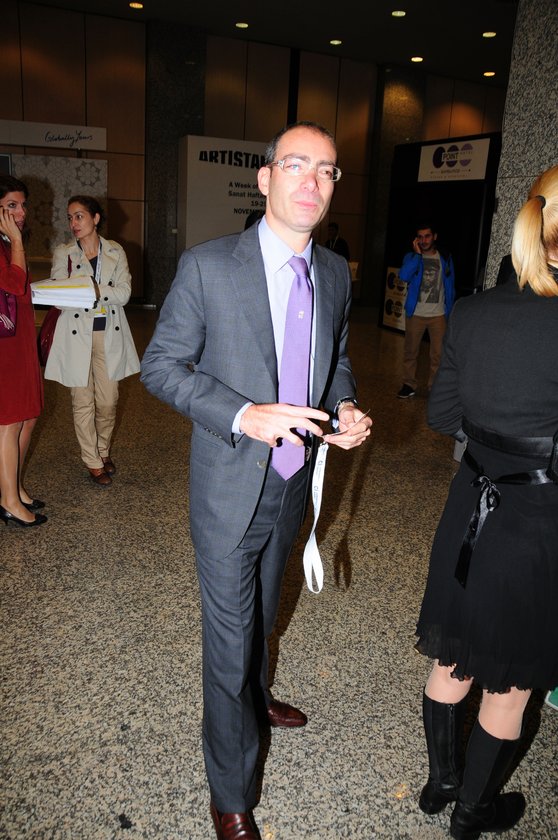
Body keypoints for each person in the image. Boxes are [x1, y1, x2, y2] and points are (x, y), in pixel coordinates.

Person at [141, 120, 372, 840]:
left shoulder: (334, 271)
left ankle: (257, 694)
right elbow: (160, 367)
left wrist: (344, 406)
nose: (312, 181)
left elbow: (334, 357)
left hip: (294, 482)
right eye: (296, 165)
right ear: (267, 178)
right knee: (230, 640)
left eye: (327, 170)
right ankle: (233, 793)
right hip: (229, 489)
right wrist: (244, 413)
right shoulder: (209, 266)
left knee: (266, 610)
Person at [414, 164, 558, 840]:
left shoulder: (472, 311)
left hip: (469, 509)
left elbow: (442, 415)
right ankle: (473, 813)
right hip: (537, 527)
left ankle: (442, 782)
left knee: (453, 657)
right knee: (510, 684)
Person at [44, 196, 140, 486]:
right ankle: (93, 461)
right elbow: (59, 296)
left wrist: (90, 291)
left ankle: (103, 449)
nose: (73, 223)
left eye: (79, 216)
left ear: (95, 219)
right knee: (82, 401)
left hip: (107, 334)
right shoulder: (64, 253)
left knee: (109, 401)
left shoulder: (115, 251)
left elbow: (124, 293)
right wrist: (94, 291)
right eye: (70, 217)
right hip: (75, 336)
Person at [0, 175, 47, 528]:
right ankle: (9, 501)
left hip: (20, 339)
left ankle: (13, 486)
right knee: (10, 421)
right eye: (11, 206)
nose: (21, 212)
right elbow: (15, 283)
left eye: (22, 205)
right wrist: (17, 240)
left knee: (28, 416)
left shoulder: (7, 242)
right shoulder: (7, 241)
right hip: (5, 344)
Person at [397, 223, 455, 398]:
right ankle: (409, 384)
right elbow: (404, 276)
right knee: (410, 352)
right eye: (420, 237)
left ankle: (434, 387)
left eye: (427, 236)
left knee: (438, 354)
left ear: (434, 236)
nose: (424, 240)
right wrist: (417, 255)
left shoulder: (445, 257)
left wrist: (450, 309)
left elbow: (450, 284)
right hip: (416, 313)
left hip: (438, 314)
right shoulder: (411, 257)